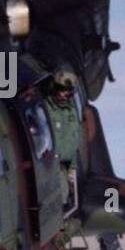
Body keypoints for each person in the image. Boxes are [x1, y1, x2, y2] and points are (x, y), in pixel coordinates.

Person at [45, 67, 81, 211]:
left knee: (64, 199)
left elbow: (74, 139)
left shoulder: (71, 111)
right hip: (50, 166)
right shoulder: (46, 108)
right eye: (60, 89)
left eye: (67, 90)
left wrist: (72, 167)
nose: (63, 93)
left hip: (65, 167)